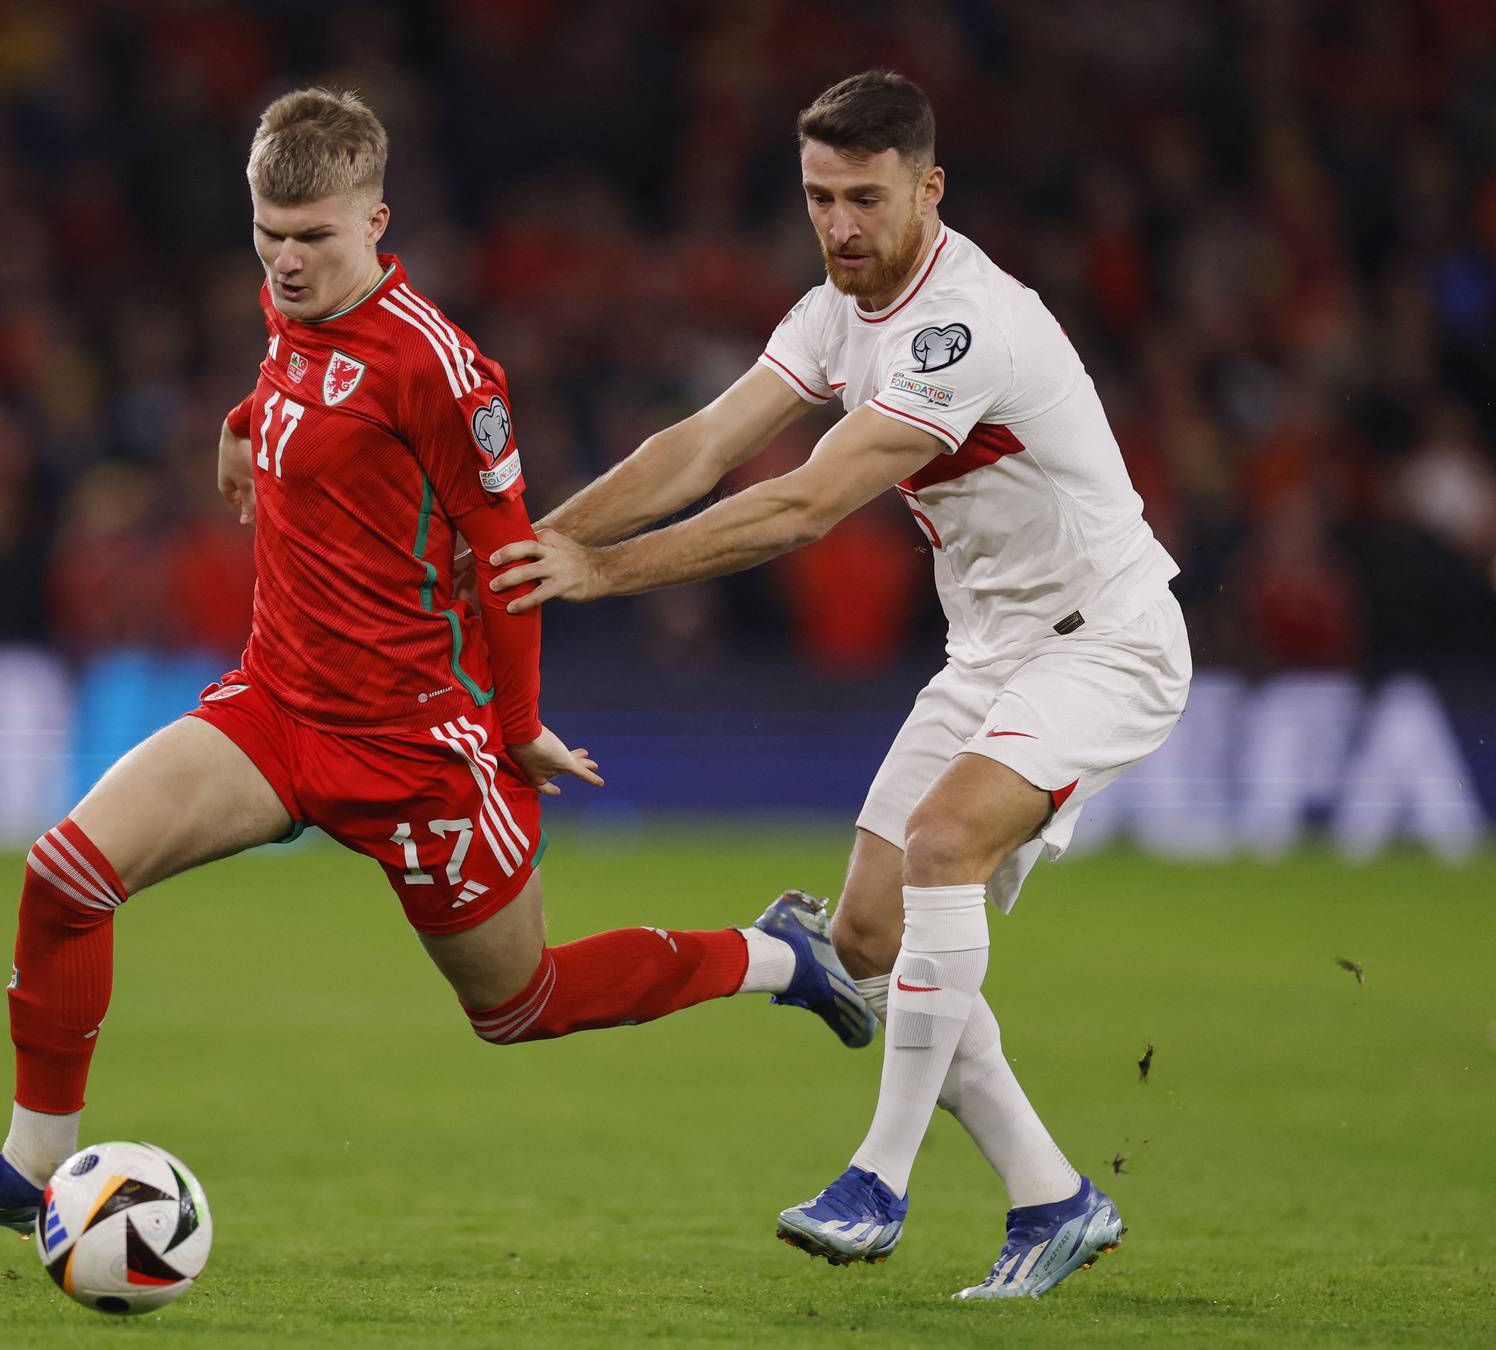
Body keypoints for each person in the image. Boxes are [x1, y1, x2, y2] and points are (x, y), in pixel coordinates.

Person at [0, 88, 871, 1244]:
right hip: (277, 709)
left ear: (376, 223)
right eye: (268, 237)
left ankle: (776, 957)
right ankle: (32, 1164)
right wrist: (245, 423)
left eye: (313, 240)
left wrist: (520, 721)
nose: (286, 264)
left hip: (417, 749)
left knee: (521, 1006)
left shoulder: (443, 371)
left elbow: (513, 560)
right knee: (64, 877)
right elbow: (295, 372)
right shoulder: (289, 304)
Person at [487, 70, 1190, 1300]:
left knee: (942, 844)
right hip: (989, 654)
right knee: (866, 940)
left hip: (1107, 639)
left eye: (866, 198)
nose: (842, 226)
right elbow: (698, 450)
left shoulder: (965, 323)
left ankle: (879, 1178)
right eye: (820, 198)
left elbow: (807, 501)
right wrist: (537, 549)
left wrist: (597, 574)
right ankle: (1054, 1198)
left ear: (928, 188)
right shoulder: (832, 311)